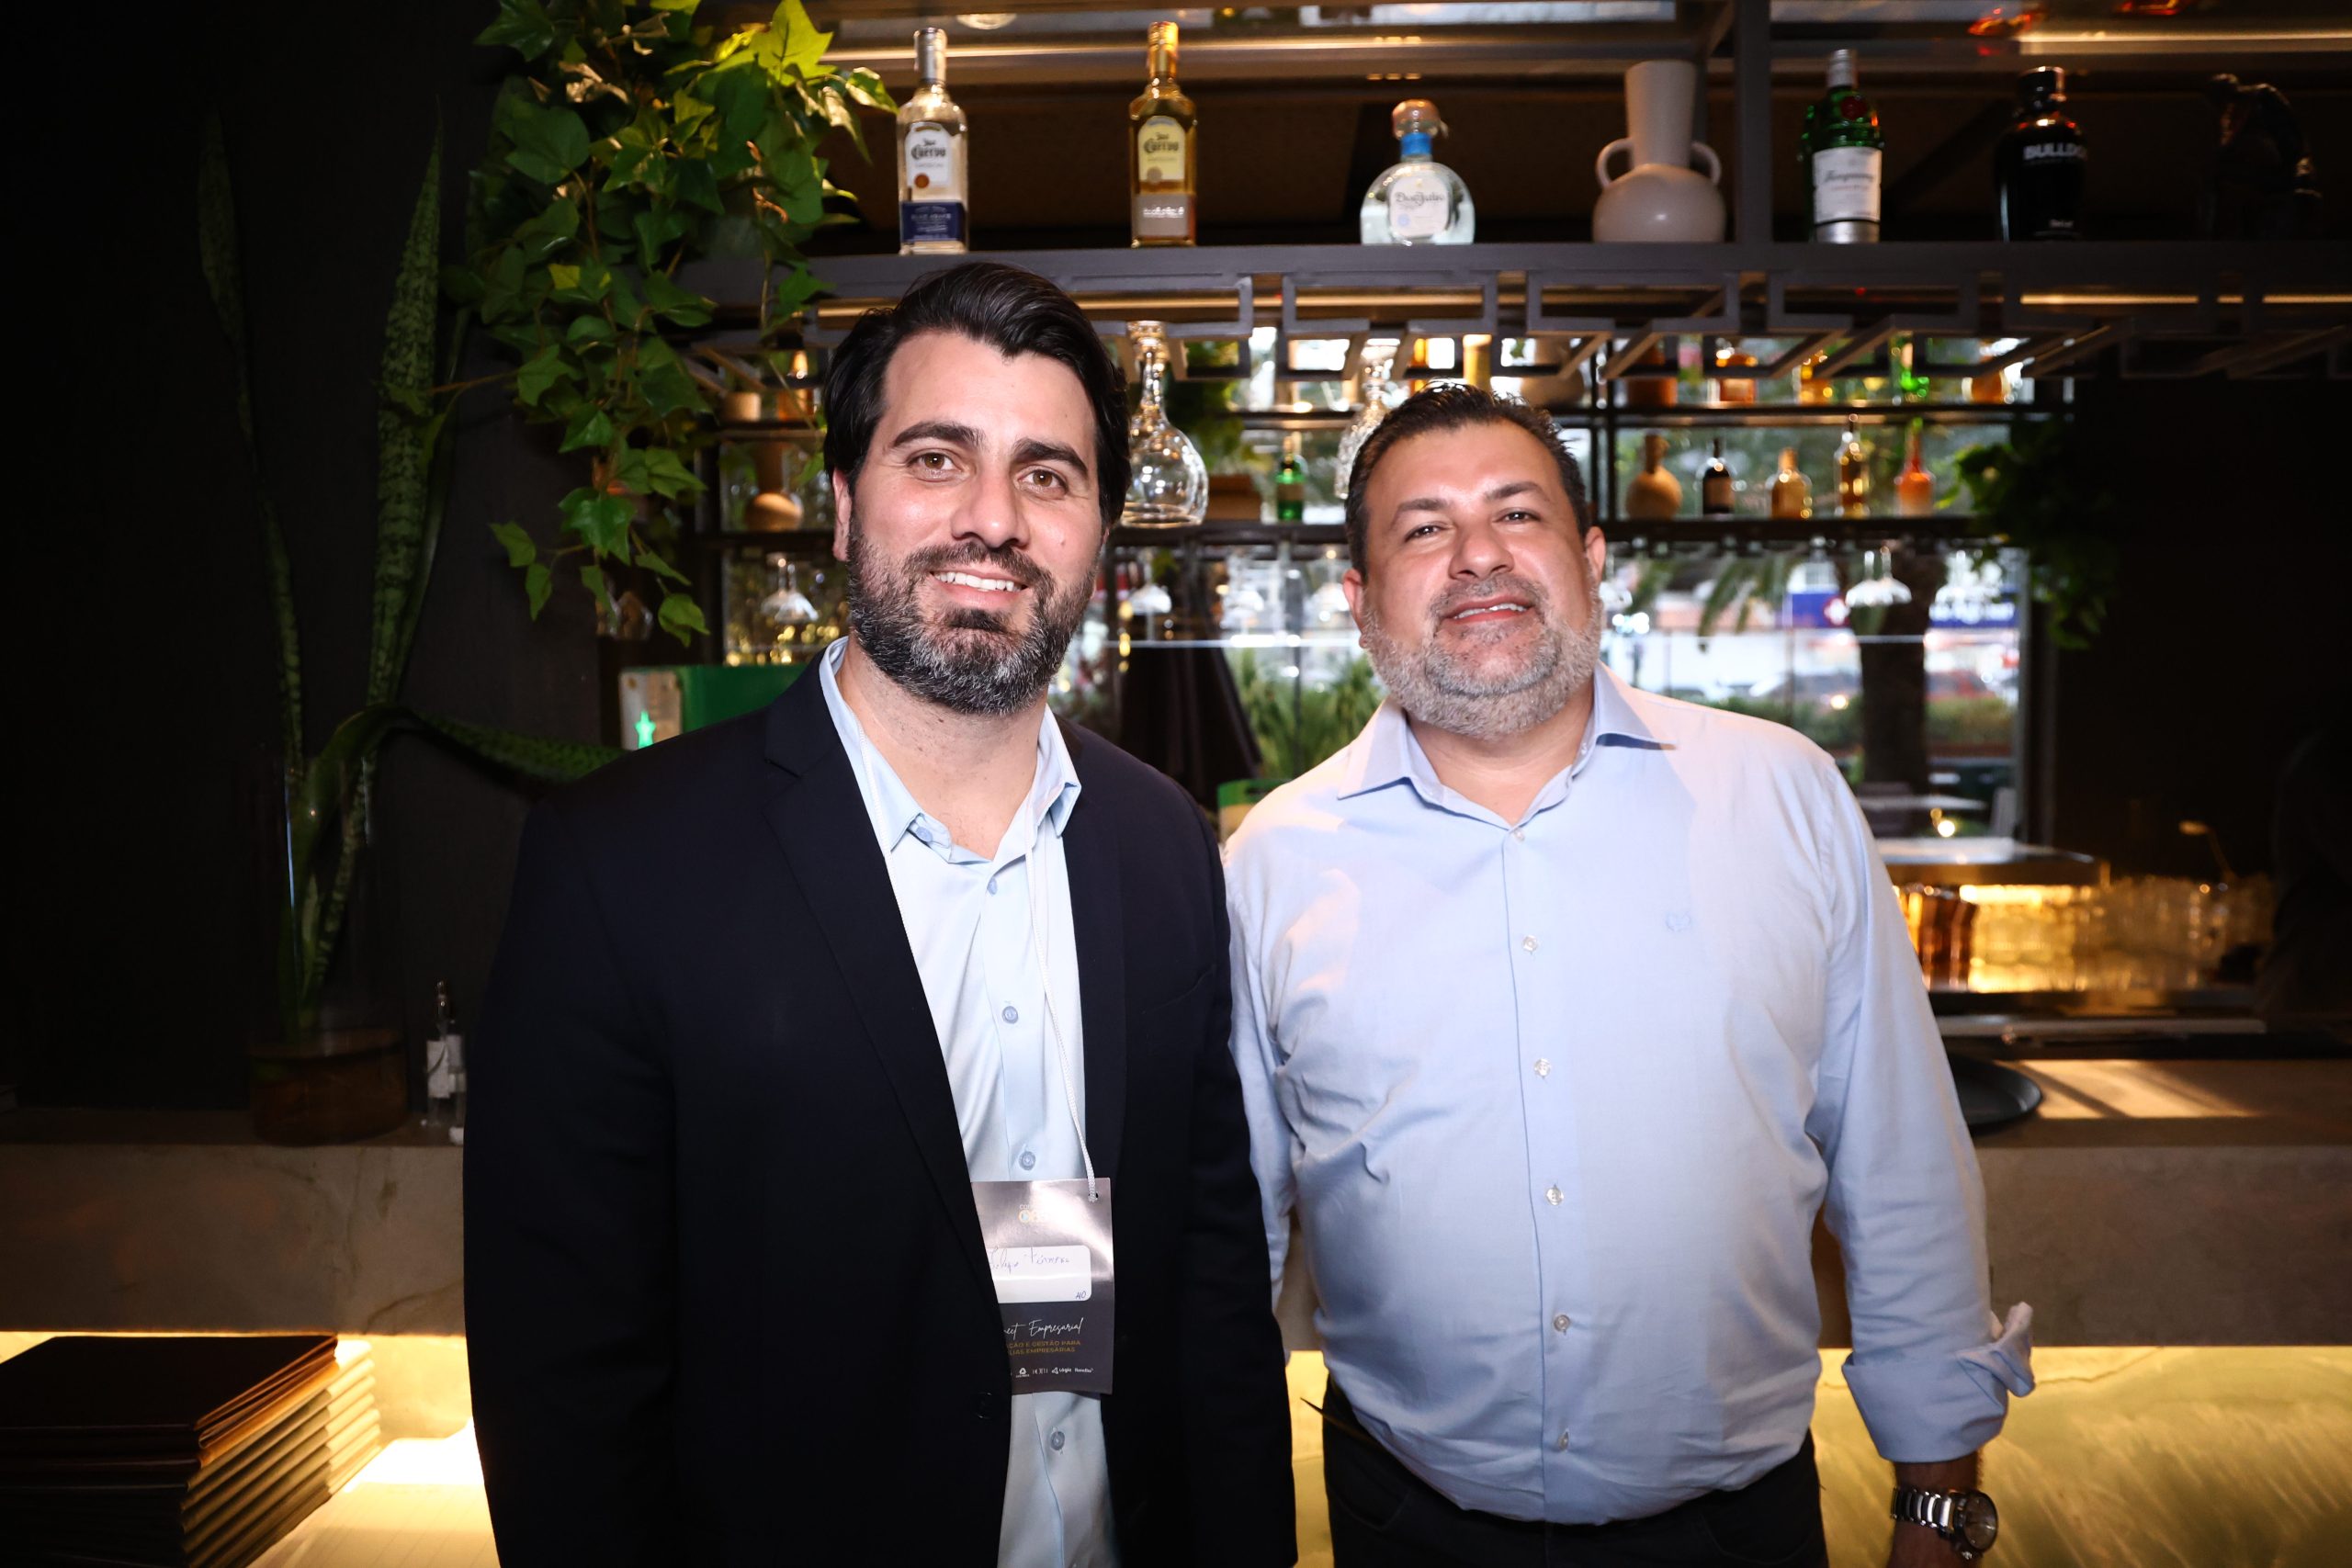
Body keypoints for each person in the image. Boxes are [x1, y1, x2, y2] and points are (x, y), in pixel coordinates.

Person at [467, 262, 1295, 1566]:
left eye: (1047, 475)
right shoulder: (621, 864)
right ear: (846, 502)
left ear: (1097, 533)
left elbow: (1209, 1284)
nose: (992, 519)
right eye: (936, 459)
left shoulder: (1160, 844)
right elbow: (567, 1387)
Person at [1224, 385, 2031, 1568]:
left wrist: (1938, 1506)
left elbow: (1901, 1168)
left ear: (1593, 559)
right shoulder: (1272, 862)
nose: (1479, 554)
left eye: (1517, 513)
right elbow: (1231, 1230)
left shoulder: (1784, 795)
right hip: (1406, 1522)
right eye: (1424, 528)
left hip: (1736, 1533)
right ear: (1359, 600)